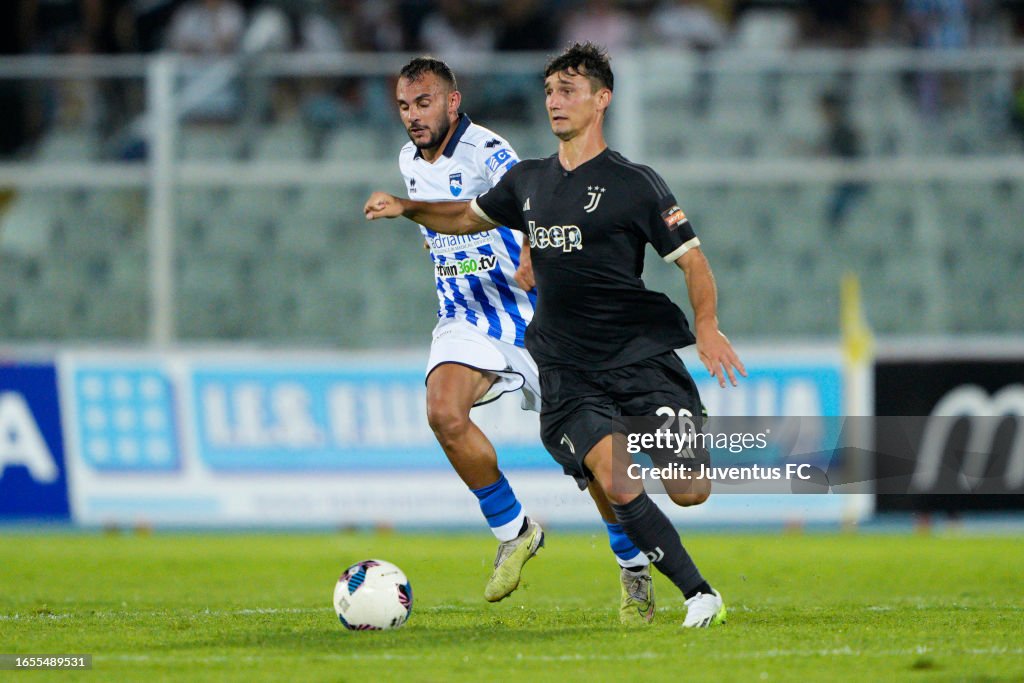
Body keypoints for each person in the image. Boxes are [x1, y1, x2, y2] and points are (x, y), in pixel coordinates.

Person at [366, 43, 746, 628]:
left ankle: (633, 564)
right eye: (549, 91)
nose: (555, 102)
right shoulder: (516, 177)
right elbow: (472, 214)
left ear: (602, 100)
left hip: (602, 343)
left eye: (568, 91)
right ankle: (534, 537)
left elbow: (690, 261)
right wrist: (408, 208)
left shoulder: (620, 180)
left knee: (682, 488)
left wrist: (709, 327)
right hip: (524, 340)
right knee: (594, 469)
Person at [388, 56, 657, 622]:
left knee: (595, 469)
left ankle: (633, 568)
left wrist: (535, 253)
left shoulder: (489, 151)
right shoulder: (408, 161)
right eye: (405, 107)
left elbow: (536, 201)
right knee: (443, 410)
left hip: (536, 321)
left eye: (424, 103)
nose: (413, 117)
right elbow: (441, 224)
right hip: (466, 317)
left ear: (452, 102)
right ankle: (515, 530)